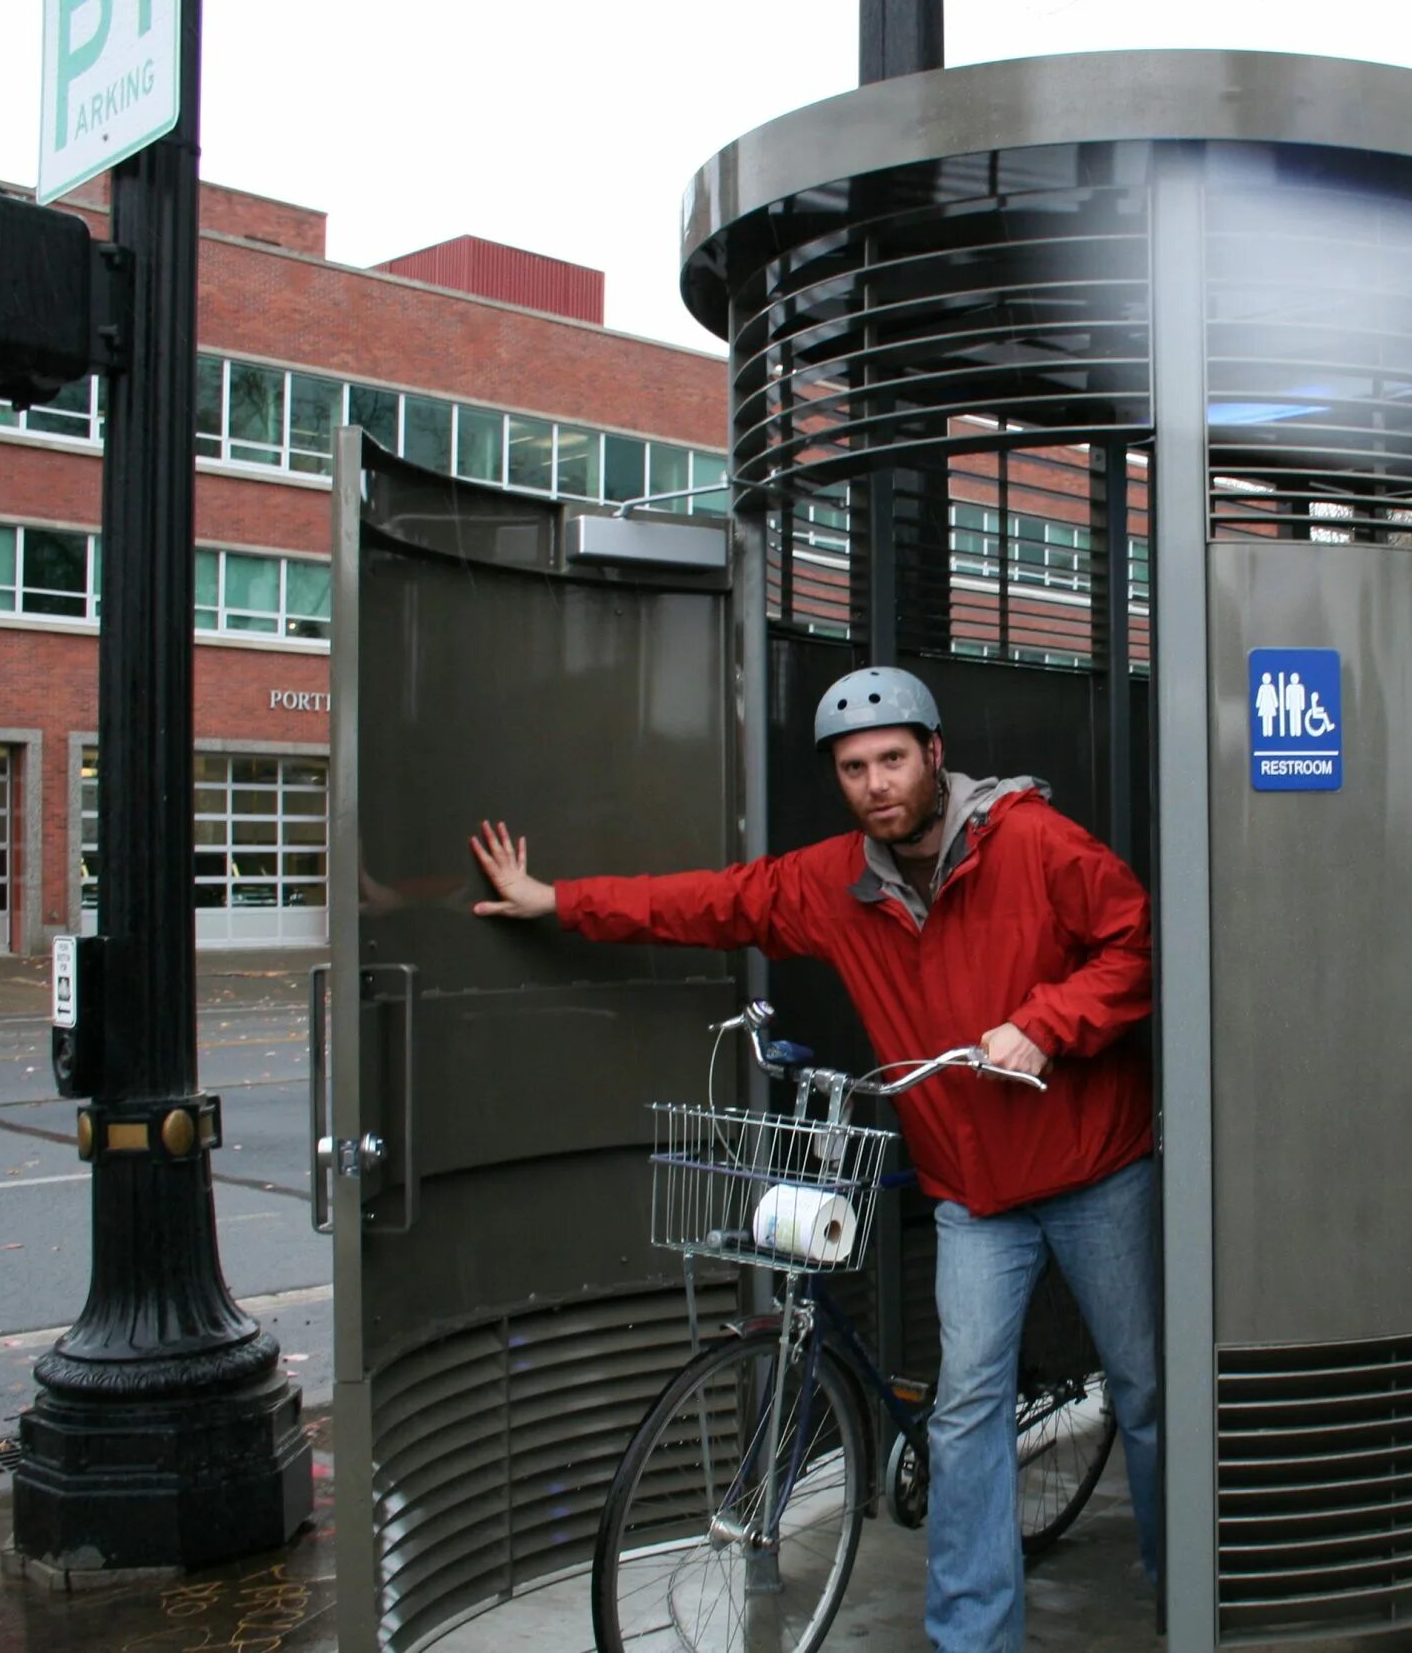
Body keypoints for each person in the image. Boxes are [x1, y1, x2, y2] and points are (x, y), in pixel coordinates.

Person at [467, 665, 1159, 1652]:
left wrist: (1044, 1024)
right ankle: (974, 1637)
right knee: (964, 1415)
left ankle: (1181, 1578)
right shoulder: (834, 883)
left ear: (932, 753)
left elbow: (1132, 946)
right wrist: (556, 900)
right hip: (975, 1191)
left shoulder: (1035, 843)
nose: (875, 783)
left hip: (1095, 1168)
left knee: (1144, 1391)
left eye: (890, 759)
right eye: (852, 768)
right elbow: (708, 903)